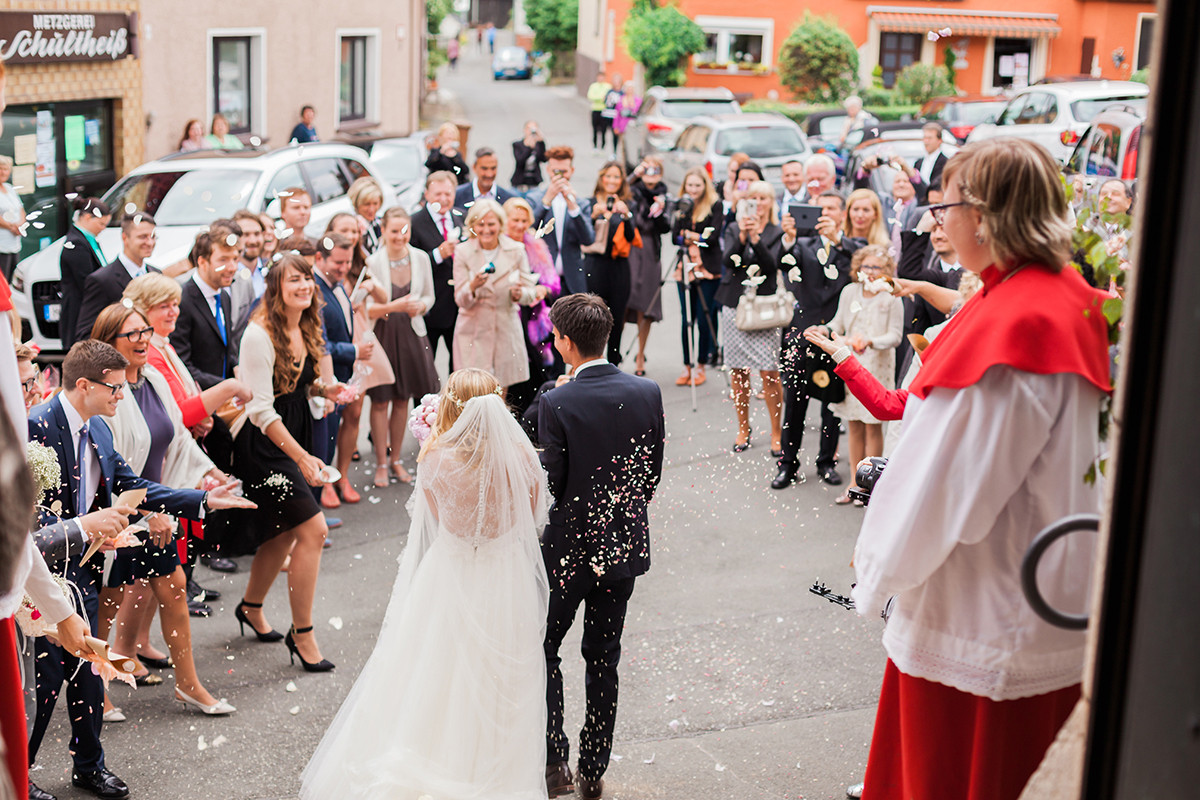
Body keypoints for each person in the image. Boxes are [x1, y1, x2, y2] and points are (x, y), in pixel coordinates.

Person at [850, 138, 1112, 800]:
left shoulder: (1014, 326)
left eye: (946, 205)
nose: (936, 221)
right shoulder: (1061, 297)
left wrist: (877, 570)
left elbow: (947, 491)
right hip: (1043, 593)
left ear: (989, 214)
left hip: (981, 618)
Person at [302, 367, 550, 798]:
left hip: (450, 575)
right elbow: (531, 520)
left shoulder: (434, 458)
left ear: (450, 407)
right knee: (502, 682)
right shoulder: (524, 458)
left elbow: (434, 519)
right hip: (503, 578)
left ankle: (435, 763)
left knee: (436, 676)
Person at [26, 339, 250, 800]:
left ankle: (89, 766)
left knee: (89, 670)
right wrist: (80, 525)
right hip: (40, 576)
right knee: (44, 683)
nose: (121, 396)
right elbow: (26, 516)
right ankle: (18, 774)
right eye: (113, 388)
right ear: (84, 385)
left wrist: (202, 501)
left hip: (83, 571)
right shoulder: (37, 428)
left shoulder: (100, 430)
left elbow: (133, 485)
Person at [526, 294, 665, 800]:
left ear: (563, 342)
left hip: (565, 551)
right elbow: (649, 475)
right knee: (604, 656)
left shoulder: (556, 401)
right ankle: (593, 767)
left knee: (544, 649)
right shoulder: (647, 390)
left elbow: (549, 485)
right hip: (623, 545)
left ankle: (554, 761)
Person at [89, 304, 237, 716]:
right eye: (131, 334)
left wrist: (211, 473)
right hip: (119, 511)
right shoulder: (108, 395)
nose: (142, 340)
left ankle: (188, 685)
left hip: (156, 505)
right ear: (109, 342)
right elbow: (112, 465)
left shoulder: (153, 379)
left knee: (173, 587)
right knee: (109, 600)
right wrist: (146, 512)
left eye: (144, 331)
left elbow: (177, 440)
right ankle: (96, 688)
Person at [213, 253, 343, 672]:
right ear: (276, 287)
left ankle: (250, 607)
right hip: (266, 446)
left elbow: (302, 382)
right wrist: (303, 457)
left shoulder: (307, 321)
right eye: (294, 280)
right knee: (313, 529)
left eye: (307, 279)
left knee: (282, 534)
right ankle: (302, 633)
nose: (304, 286)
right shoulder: (258, 334)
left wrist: (328, 388)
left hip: (296, 429)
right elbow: (261, 411)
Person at [773, 190, 861, 489]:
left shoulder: (851, 246)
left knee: (831, 403)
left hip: (835, 333)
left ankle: (826, 461)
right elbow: (784, 264)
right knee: (794, 401)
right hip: (803, 331)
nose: (825, 213)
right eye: (820, 208)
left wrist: (837, 240)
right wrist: (787, 238)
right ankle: (787, 463)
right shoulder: (803, 244)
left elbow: (858, 265)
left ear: (842, 213)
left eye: (832, 208)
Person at [821, 245, 902, 504]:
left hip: (877, 366)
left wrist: (870, 341)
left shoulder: (891, 297)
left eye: (876, 267)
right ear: (858, 267)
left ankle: (870, 483)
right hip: (850, 364)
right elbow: (838, 323)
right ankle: (854, 482)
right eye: (866, 266)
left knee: (872, 425)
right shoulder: (849, 292)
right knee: (853, 424)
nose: (870, 271)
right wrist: (825, 330)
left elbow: (896, 336)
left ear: (886, 271)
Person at [365, 207, 439, 486]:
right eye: (394, 231)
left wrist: (421, 305)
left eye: (404, 230)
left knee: (402, 399)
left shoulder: (420, 258)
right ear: (383, 231)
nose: (400, 236)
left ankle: (396, 460)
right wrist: (393, 306)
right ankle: (381, 463)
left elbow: (429, 297)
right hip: (383, 334)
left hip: (411, 333)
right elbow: (365, 308)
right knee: (381, 399)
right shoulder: (372, 262)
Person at [716, 180, 784, 454]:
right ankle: (743, 427)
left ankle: (776, 432)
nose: (757, 203)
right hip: (735, 305)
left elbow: (771, 266)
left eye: (762, 198)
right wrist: (743, 237)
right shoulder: (734, 228)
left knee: (769, 372)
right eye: (752, 198)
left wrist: (756, 238)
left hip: (764, 309)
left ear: (770, 202)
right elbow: (728, 262)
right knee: (738, 371)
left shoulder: (776, 232)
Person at [312, 234, 375, 507]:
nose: (344, 268)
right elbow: (318, 342)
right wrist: (354, 352)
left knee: (339, 430)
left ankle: (337, 479)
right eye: (338, 262)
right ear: (319, 258)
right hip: (325, 379)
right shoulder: (314, 289)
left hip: (343, 375)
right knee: (323, 437)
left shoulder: (336, 284)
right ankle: (322, 487)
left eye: (348, 262)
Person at [452, 199, 541, 387]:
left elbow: (530, 292)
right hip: (473, 332)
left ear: (500, 224)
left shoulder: (516, 250)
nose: (486, 229)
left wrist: (520, 294)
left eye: (491, 224)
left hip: (505, 328)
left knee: (500, 391)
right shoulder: (463, 251)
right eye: (480, 224)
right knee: (473, 392)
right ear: (473, 225)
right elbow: (460, 299)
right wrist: (473, 286)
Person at [501, 196, 557, 416]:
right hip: (509, 312)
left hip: (534, 315)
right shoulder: (500, 245)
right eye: (514, 220)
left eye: (524, 220)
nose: (519, 225)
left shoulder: (536, 244)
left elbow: (552, 281)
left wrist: (543, 289)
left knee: (536, 368)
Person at [173, 221, 242, 391]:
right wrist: (228, 387)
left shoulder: (224, 296)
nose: (232, 267)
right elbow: (181, 366)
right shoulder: (182, 300)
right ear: (202, 262)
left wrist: (237, 367)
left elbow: (225, 349)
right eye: (223, 260)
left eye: (235, 259)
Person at [584, 161, 641, 364]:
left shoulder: (629, 204)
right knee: (592, 316)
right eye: (608, 175)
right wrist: (593, 215)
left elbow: (631, 237)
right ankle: (591, 362)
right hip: (594, 265)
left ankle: (613, 362)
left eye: (616, 177)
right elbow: (583, 236)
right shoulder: (590, 203)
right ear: (601, 178)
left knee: (616, 317)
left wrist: (626, 215)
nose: (612, 180)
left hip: (619, 267)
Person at [671, 167, 723, 387]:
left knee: (704, 318)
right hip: (685, 267)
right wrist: (695, 237)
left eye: (697, 186)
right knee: (686, 319)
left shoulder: (715, 205)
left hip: (708, 268)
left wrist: (692, 236)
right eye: (690, 185)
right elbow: (675, 237)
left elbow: (712, 238)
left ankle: (701, 364)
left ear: (705, 186)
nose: (693, 190)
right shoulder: (682, 205)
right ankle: (687, 366)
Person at [74, 211, 160, 344]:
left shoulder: (157, 274)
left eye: (153, 237)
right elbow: (85, 334)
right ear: (125, 238)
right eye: (143, 237)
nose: (150, 242)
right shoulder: (102, 280)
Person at [408, 171, 466, 367]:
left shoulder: (461, 218)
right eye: (437, 194)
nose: (443, 199)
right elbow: (411, 266)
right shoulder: (414, 223)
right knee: (425, 367)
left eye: (448, 194)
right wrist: (437, 255)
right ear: (427, 194)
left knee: (458, 365)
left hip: (458, 307)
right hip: (430, 308)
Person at [530, 146, 595, 299]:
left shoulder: (581, 203)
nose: (560, 177)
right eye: (555, 172)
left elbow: (588, 239)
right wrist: (546, 201)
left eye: (564, 172)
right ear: (548, 170)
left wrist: (573, 207)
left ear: (572, 170)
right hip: (542, 279)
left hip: (572, 280)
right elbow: (530, 231)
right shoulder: (535, 198)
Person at [625, 157, 669, 375]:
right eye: (647, 170)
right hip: (631, 245)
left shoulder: (663, 195)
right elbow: (620, 189)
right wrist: (636, 173)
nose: (651, 175)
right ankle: (613, 352)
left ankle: (641, 354)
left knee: (646, 303)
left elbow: (666, 227)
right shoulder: (633, 190)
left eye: (655, 170)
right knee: (625, 298)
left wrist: (660, 211)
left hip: (651, 248)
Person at [58, 197, 112, 350]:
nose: (103, 228)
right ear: (88, 217)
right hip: (80, 312)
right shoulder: (76, 243)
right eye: (101, 224)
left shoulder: (88, 240)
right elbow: (86, 280)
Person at [894, 122, 949, 205]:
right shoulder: (918, 162)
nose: (926, 142)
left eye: (930, 138)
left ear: (939, 141)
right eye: (925, 138)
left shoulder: (945, 163)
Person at [0, 156, 26, 281]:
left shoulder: (10, 188)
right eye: (0, 168)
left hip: (14, 243)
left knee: (13, 278)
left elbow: (21, 209)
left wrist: (21, 225)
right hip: (1, 245)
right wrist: (12, 227)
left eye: (5, 169)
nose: (3, 172)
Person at [347, 177, 384, 255]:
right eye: (366, 204)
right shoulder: (352, 228)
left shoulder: (382, 222)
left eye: (375, 203)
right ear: (356, 204)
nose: (371, 209)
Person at [511, 120, 548, 196]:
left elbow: (544, 159)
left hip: (534, 183)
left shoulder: (538, 145)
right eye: (529, 128)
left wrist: (541, 141)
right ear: (524, 130)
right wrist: (528, 148)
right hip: (519, 183)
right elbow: (520, 161)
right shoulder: (517, 144)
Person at [612, 81, 641, 167]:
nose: (630, 90)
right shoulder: (621, 99)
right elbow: (617, 114)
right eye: (628, 88)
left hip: (634, 127)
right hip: (623, 126)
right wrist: (615, 126)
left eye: (631, 89)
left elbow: (638, 112)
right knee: (623, 146)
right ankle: (622, 162)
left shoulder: (638, 100)